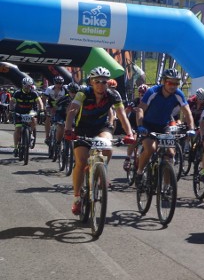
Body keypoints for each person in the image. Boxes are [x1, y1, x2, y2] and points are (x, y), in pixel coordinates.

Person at [64, 67, 135, 215]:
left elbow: (122, 115)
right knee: (81, 162)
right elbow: (72, 110)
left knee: (108, 146)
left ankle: (102, 171)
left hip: (101, 127)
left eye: (104, 82)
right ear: (91, 82)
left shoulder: (113, 95)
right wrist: (68, 129)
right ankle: (77, 197)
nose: (101, 85)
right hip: (82, 128)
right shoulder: (83, 92)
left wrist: (129, 133)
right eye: (97, 82)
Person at [134, 68, 196, 184]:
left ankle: (167, 188)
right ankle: (140, 171)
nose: (173, 86)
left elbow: (187, 112)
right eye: (170, 83)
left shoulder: (178, 94)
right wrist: (140, 125)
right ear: (163, 81)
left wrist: (191, 128)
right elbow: (141, 109)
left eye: (176, 83)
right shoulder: (152, 92)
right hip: (148, 125)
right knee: (151, 149)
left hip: (164, 125)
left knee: (170, 154)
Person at [10, 76, 44, 157]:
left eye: (30, 86)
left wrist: (42, 110)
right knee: (17, 129)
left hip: (30, 111)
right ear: (23, 85)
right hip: (19, 111)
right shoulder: (17, 93)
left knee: (33, 119)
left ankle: (31, 133)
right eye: (26, 86)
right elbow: (11, 103)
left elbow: (40, 102)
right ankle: (16, 147)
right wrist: (11, 110)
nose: (28, 87)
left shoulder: (34, 93)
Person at [123, 83, 147, 172]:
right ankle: (128, 158)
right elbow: (126, 111)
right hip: (133, 123)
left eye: (144, 93)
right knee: (134, 139)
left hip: (144, 124)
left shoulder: (150, 101)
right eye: (141, 93)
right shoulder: (135, 101)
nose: (142, 94)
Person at [42, 77, 68, 143]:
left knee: (63, 121)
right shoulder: (49, 89)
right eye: (57, 83)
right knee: (48, 117)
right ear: (54, 83)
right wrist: (44, 107)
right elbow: (44, 98)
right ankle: (47, 136)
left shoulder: (65, 89)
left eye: (60, 83)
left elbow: (68, 99)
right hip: (50, 106)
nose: (59, 85)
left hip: (60, 106)